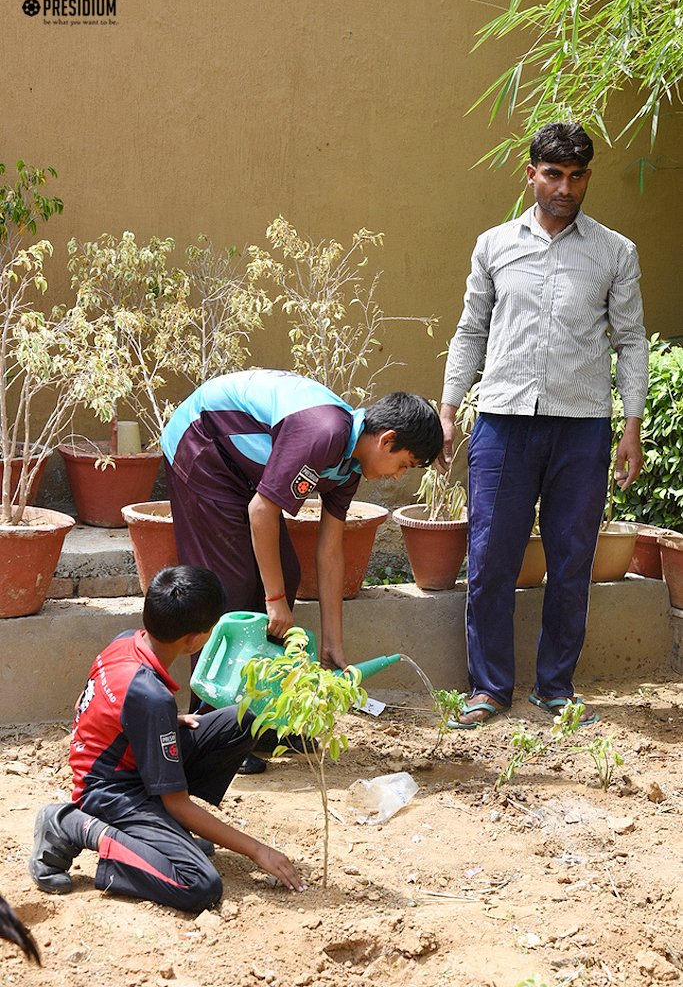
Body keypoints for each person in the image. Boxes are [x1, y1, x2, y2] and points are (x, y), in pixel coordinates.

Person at [439, 122, 648, 728]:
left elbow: (631, 341)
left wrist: (630, 426)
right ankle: (488, 688)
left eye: (577, 175)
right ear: (530, 173)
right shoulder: (493, 246)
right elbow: (471, 330)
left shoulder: (615, 252)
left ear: (587, 177)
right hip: (504, 423)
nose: (565, 187)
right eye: (553, 174)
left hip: (582, 427)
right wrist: (450, 409)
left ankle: (555, 686)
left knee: (572, 559)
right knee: (490, 557)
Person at [160, 369, 443, 768]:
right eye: (404, 464)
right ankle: (211, 727)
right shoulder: (323, 432)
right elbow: (262, 510)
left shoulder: (348, 466)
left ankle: (262, 720)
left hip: (243, 468)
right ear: (387, 440)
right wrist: (274, 600)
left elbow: (330, 551)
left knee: (286, 574)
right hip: (203, 443)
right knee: (233, 586)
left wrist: (333, 642)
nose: (397, 475)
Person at [28, 566, 304, 912]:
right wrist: (258, 849)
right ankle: (70, 825)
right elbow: (178, 802)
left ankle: (163, 834)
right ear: (193, 640)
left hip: (126, 763)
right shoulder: (150, 696)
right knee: (198, 884)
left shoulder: (127, 640)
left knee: (241, 718)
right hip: (107, 792)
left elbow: (99, 707)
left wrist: (164, 723)